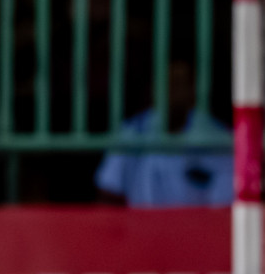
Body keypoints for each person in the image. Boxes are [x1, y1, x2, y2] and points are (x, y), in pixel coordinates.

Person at [95, 60, 232, 207]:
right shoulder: (132, 132)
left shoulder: (217, 136)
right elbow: (109, 193)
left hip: (195, 226)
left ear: (194, 89)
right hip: (141, 225)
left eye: (179, 83)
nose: (171, 89)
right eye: (165, 82)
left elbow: (225, 206)